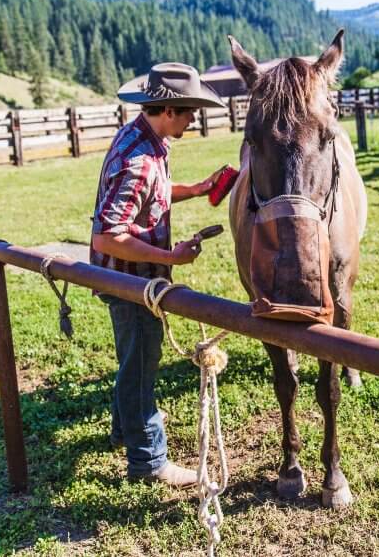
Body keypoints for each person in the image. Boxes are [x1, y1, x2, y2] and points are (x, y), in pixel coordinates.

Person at [90, 62, 226, 487]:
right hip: (132, 283)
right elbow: (107, 236)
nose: (193, 120)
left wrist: (198, 189)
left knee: (133, 358)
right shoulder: (140, 160)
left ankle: (122, 428)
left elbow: (153, 194)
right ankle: (148, 459)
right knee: (142, 364)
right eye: (190, 113)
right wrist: (173, 260)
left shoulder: (143, 139)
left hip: (129, 277)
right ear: (169, 110)